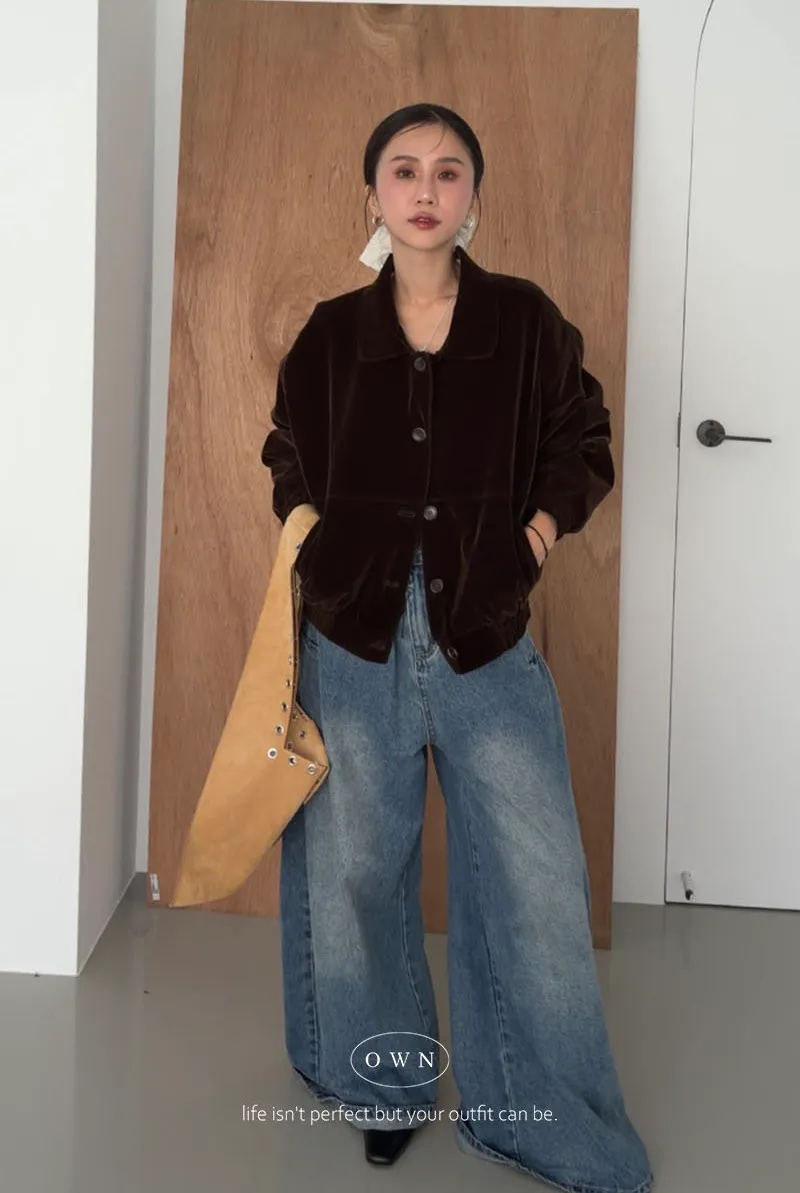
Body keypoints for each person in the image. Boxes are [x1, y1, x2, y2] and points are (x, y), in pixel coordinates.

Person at [262, 103, 654, 1192]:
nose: (425, 189)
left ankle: (538, 1118)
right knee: (354, 873)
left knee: (534, 878)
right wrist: (317, 536)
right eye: (403, 169)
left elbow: (581, 437)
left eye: (447, 171)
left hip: (484, 637)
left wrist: (533, 535)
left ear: (473, 194)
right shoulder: (331, 333)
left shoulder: (524, 322)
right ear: (374, 194)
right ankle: (381, 1084)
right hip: (352, 640)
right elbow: (287, 448)